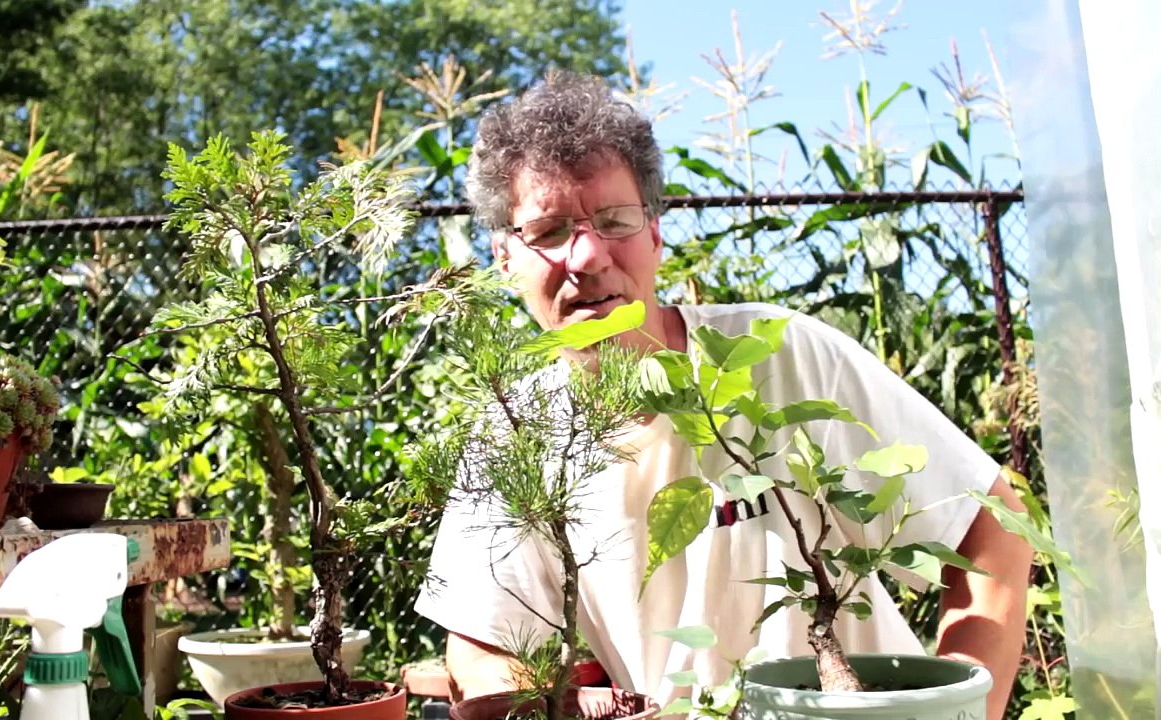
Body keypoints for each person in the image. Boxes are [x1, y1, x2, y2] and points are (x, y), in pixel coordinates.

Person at [414, 70, 1032, 720]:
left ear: (655, 232)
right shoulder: (515, 431)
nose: (589, 255)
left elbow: (990, 528)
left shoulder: (779, 354)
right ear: (504, 259)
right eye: (547, 231)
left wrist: (962, 710)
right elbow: (481, 647)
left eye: (614, 219)